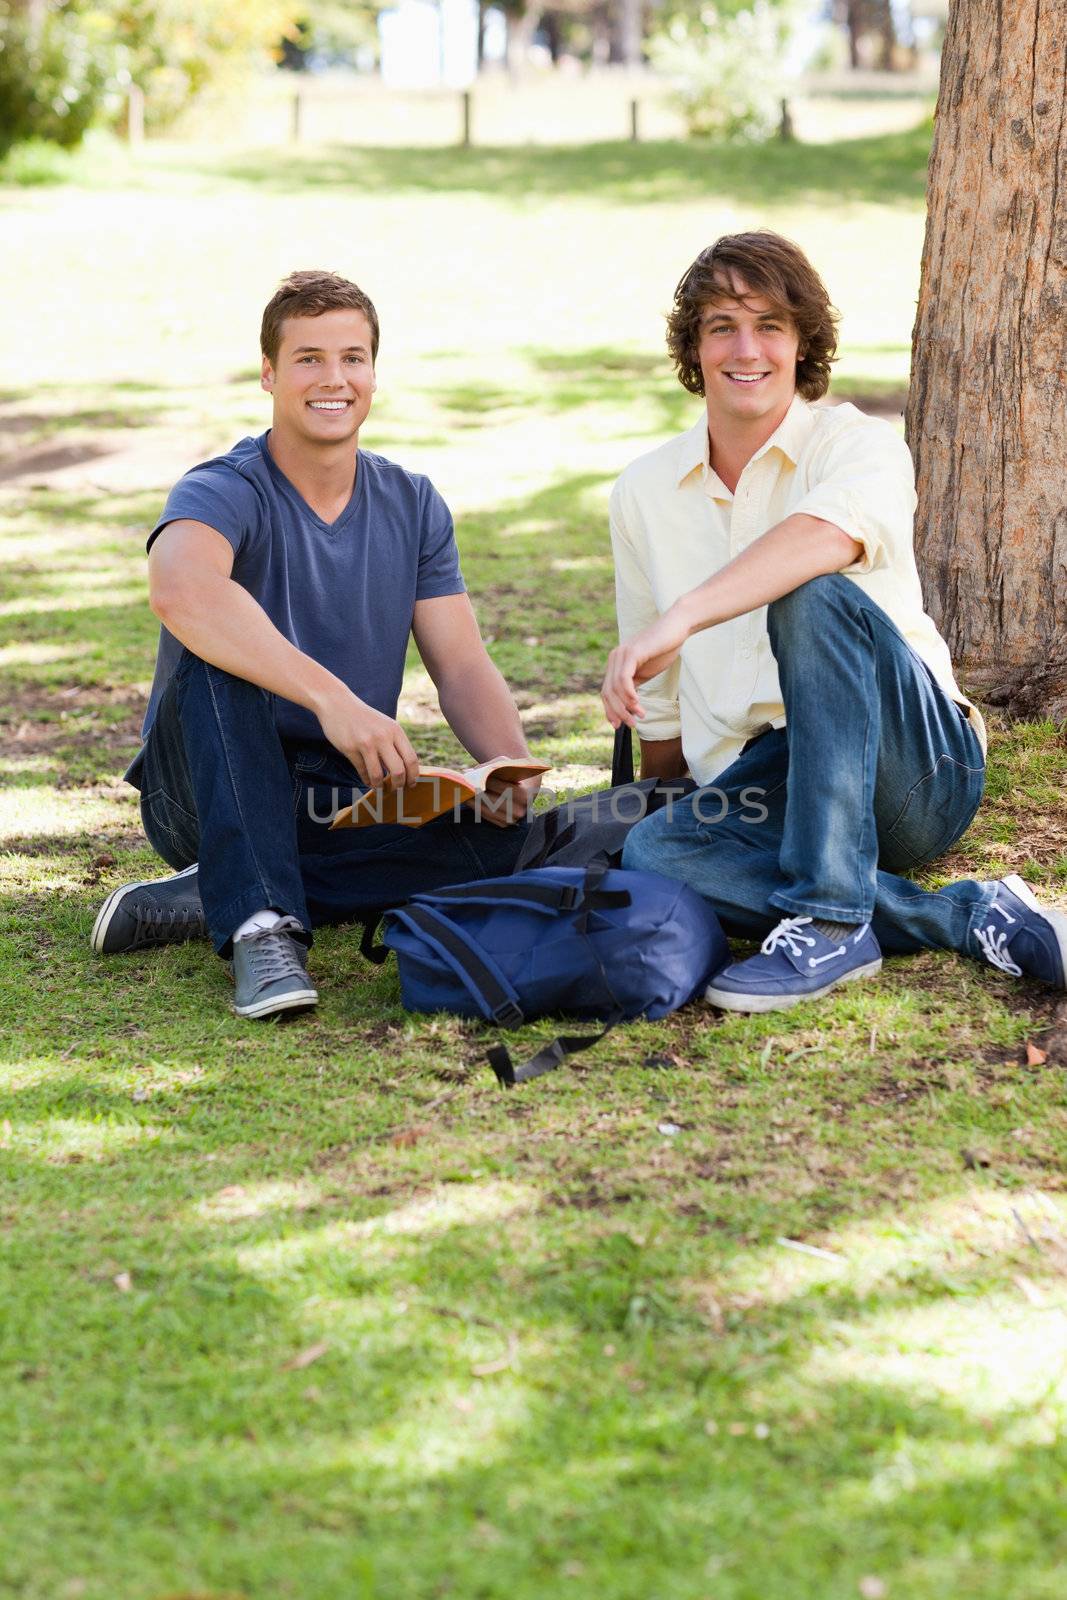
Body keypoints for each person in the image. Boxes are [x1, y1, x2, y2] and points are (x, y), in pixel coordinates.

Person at [601, 231, 1066, 1012]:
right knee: (655, 852)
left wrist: (685, 614)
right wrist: (671, 804)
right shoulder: (643, 491)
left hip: (911, 768)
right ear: (693, 346)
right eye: (721, 326)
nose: (745, 348)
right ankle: (968, 915)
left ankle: (826, 914)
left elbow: (825, 538)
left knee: (811, 593)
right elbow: (661, 696)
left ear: (801, 343)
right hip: (767, 780)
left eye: (769, 326)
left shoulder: (858, 446)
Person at [92, 270, 536, 1019]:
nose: (334, 378)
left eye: (353, 358)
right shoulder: (225, 486)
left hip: (335, 795)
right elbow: (180, 591)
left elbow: (459, 665)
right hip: (208, 780)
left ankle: (225, 889)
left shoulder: (412, 500)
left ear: (372, 372)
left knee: (510, 846)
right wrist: (332, 698)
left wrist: (508, 775)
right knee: (217, 644)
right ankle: (263, 928)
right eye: (308, 358)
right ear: (269, 374)